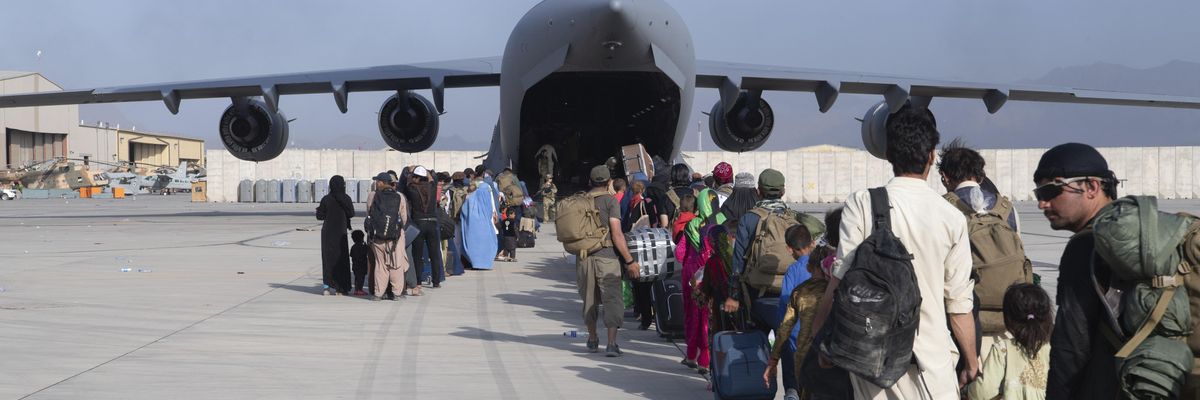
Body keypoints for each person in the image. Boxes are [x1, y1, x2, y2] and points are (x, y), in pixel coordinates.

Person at [812, 105, 977, 399]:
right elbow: (959, 306)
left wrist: (820, 339)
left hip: (870, 360)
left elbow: (839, 282)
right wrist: (971, 361)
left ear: (888, 155)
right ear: (932, 155)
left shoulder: (861, 204)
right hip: (931, 366)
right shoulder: (951, 217)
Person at [1034, 143, 1120, 400]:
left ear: (1092, 187)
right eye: (1038, 193)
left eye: (1051, 190)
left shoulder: (1086, 246)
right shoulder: (1145, 235)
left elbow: (1070, 348)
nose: (1042, 203)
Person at [576, 165, 642, 357]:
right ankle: (611, 344)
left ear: (590, 181)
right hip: (607, 257)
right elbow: (617, 233)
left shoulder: (580, 201)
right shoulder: (610, 201)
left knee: (589, 299)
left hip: (584, 257)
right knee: (612, 299)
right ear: (608, 182)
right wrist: (630, 261)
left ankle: (593, 339)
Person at [967, 283, 1053, 400]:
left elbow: (985, 391)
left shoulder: (1003, 350)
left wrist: (968, 390)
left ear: (1008, 319)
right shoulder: (1054, 350)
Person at [764, 224, 819, 400]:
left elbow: (784, 311)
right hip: (820, 338)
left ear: (789, 249)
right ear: (812, 242)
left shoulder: (793, 271)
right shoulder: (824, 266)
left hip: (797, 339)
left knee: (795, 382)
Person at [366, 172, 409, 301]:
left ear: (381, 183)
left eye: (377, 181)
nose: (375, 183)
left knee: (381, 265)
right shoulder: (400, 196)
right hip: (395, 238)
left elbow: (369, 213)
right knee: (396, 265)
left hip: (377, 237)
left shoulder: (372, 196)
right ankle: (396, 293)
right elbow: (404, 218)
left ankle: (379, 293)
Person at [405, 166, 443, 291]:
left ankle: (418, 281)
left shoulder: (411, 188)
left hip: (418, 223)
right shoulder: (432, 187)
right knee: (435, 253)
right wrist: (425, 170)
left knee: (417, 255)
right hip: (432, 222)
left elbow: (407, 181)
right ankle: (436, 281)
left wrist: (411, 171)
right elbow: (433, 178)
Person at [315, 175, 354, 296]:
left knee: (328, 259)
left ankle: (327, 287)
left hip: (327, 233)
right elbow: (351, 213)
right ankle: (341, 288)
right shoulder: (346, 198)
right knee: (341, 259)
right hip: (341, 233)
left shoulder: (326, 199)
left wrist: (318, 210)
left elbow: (320, 216)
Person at [461, 175, 500, 270]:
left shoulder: (471, 199)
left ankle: (476, 263)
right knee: (487, 244)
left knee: (474, 246)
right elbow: (490, 210)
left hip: (472, 228)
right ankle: (485, 263)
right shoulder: (486, 195)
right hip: (486, 225)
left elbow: (464, 211)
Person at [350, 230, 370, 296]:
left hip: (355, 265)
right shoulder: (363, 246)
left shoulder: (353, 247)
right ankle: (359, 290)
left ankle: (356, 289)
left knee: (357, 278)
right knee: (361, 278)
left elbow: (351, 254)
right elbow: (367, 252)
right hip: (362, 265)